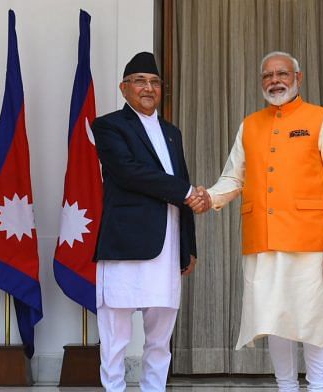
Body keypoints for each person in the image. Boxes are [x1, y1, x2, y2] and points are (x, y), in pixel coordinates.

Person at [190, 51, 323, 391]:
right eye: (267, 76)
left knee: (311, 321)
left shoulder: (321, 119)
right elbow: (233, 178)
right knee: (274, 320)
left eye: (282, 73)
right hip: (262, 241)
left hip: (312, 241)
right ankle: (285, 386)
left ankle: (318, 386)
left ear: (299, 78)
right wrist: (211, 197)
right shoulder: (250, 124)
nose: (275, 80)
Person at [91, 52, 206, 392]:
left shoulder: (172, 132)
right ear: (124, 88)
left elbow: (180, 180)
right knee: (115, 338)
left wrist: (189, 247)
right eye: (140, 81)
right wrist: (187, 192)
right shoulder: (109, 125)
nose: (148, 88)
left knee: (159, 339)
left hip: (167, 246)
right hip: (126, 243)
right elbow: (130, 173)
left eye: (155, 82)